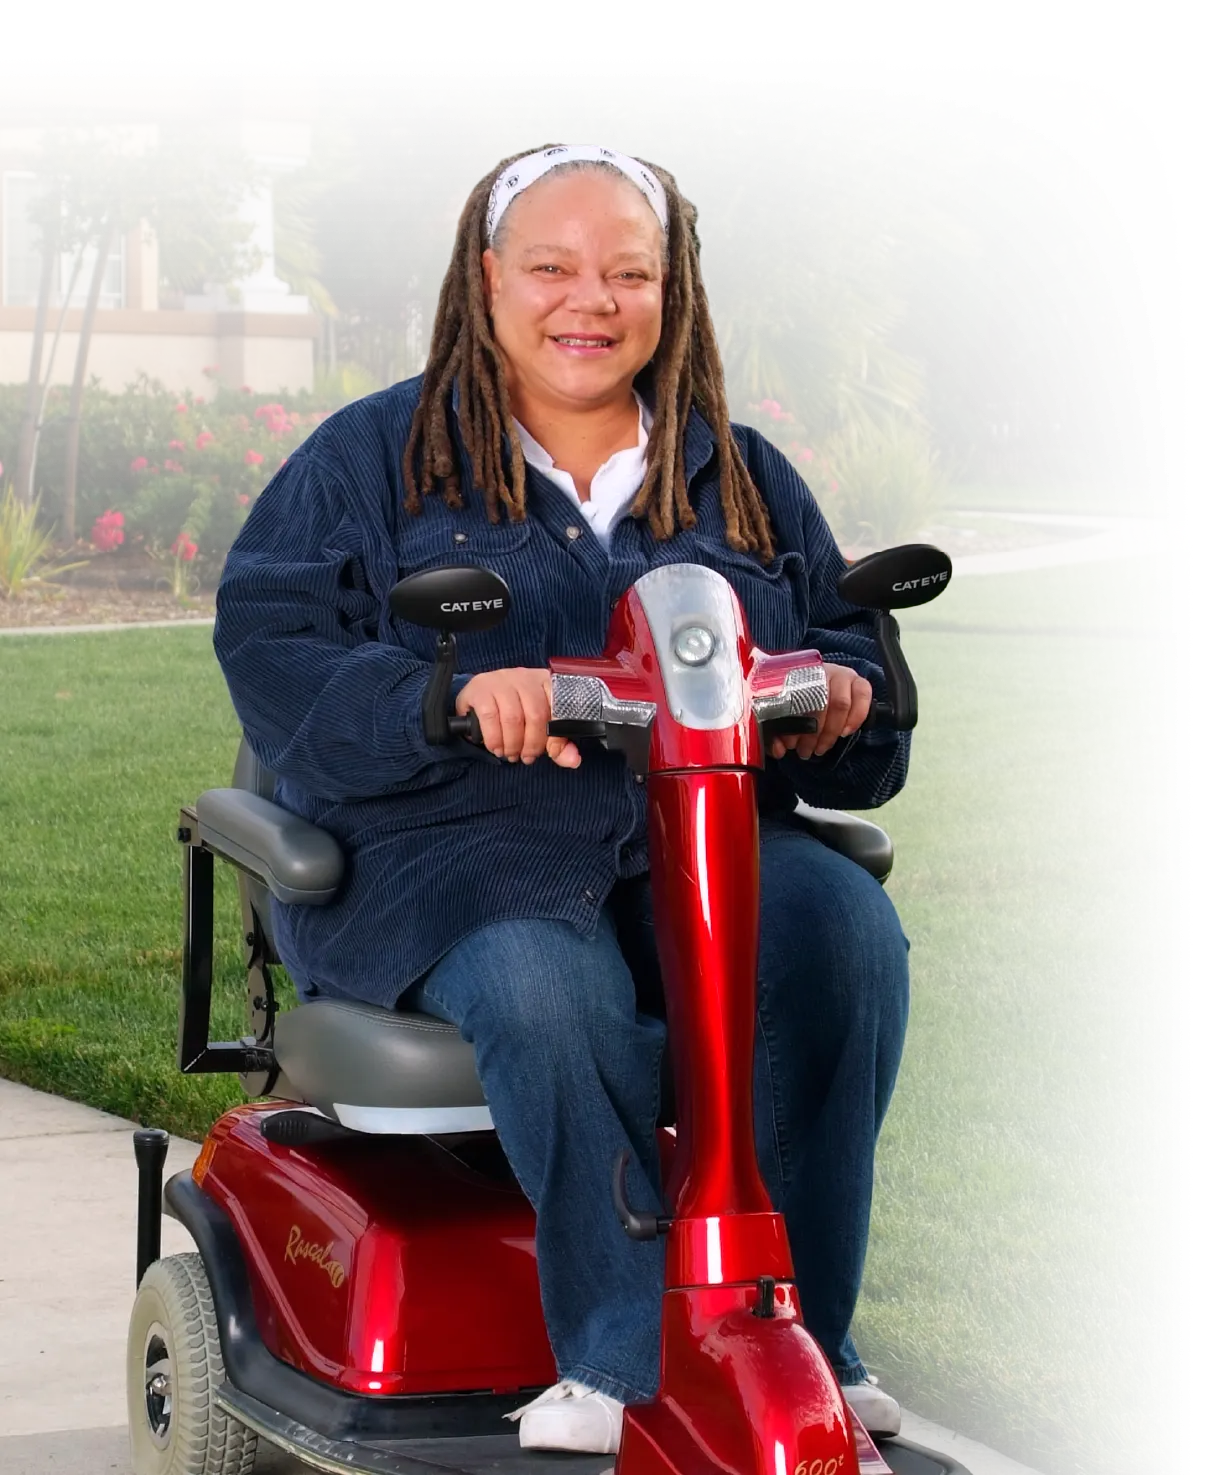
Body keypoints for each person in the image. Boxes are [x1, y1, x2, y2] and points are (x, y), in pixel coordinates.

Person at [213, 143, 914, 1456]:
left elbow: (860, 673)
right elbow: (274, 649)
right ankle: (619, 1351)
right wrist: (446, 697)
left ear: (671, 294)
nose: (588, 299)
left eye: (626, 273)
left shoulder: (744, 478)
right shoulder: (373, 458)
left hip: (696, 842)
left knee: (845, 938)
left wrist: (841, 702)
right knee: (546, 979)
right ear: (487, 280)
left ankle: (803, 1329)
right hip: (450, 854)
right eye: (551, 265)